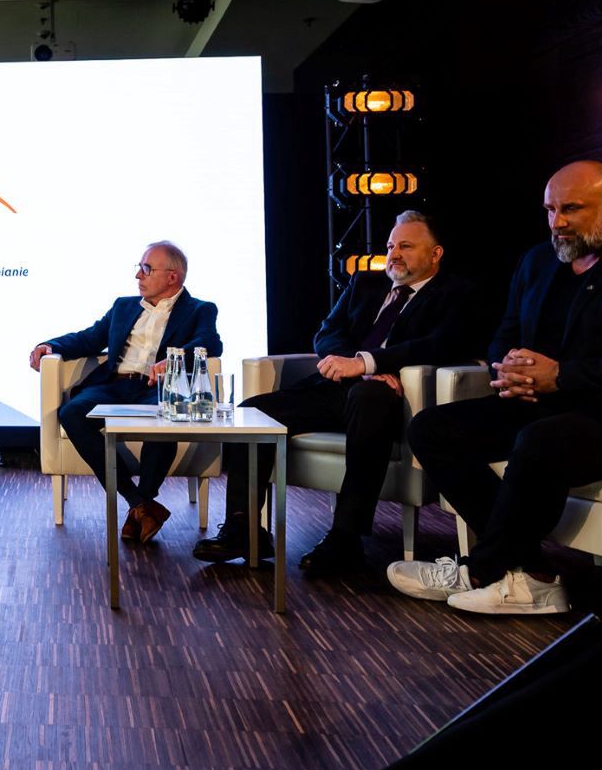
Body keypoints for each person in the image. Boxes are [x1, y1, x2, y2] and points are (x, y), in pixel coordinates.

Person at [390, 161, 602, 614]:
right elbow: (504, 334)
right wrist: (510, 366)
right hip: (539, 403)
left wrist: (561, 375)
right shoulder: (538, 260)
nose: (556, 222)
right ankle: (531, 572)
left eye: (571, 209)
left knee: (541, 439)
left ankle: (480, 568)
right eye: (549, 210)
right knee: (430, 429)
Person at [193, 211, 484, 574]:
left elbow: (442, 344)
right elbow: (327, 334)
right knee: (252, 412)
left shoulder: (457, 293)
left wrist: (368, 364)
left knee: (370, 397)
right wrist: (354, 365)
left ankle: (346, 538)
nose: (393, 254)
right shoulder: (365, 283)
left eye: (406, 246)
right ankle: (243, 528)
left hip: (395, 400)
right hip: (335, 389)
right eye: (390, 246)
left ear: (435, 253)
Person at [29, 241, 222, 542]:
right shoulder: (124, 306)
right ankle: (139, 503)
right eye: (140, 268)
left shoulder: (200, 309)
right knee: (72, 413)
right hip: (114, 385)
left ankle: (140, 507)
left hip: (157, 387)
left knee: (164, 420)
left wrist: (174, 359)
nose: (138, 275)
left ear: (172, 277)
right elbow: (90, 338)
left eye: (147, 269)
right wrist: (51, 345)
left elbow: (210, 342)